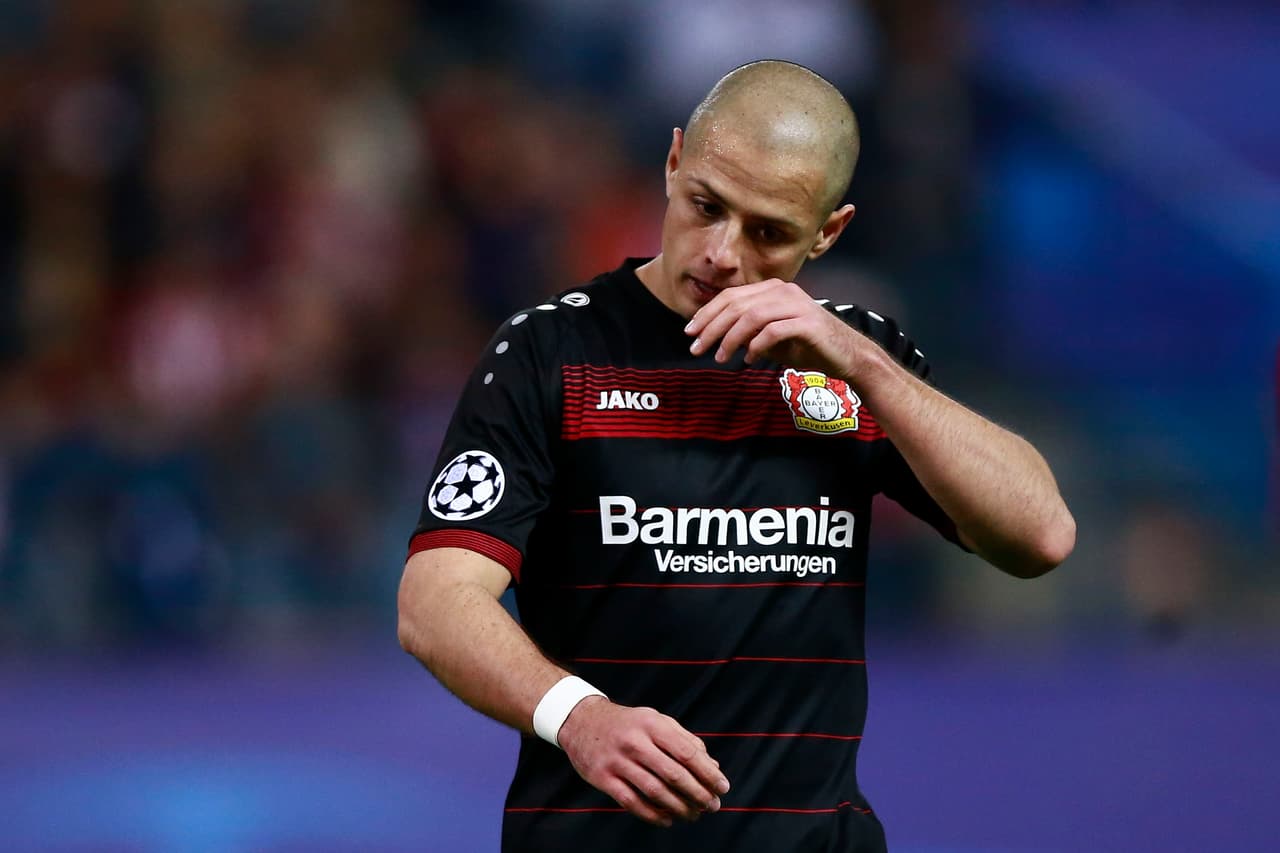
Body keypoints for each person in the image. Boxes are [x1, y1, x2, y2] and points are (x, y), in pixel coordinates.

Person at [397, 60, 1075, 852]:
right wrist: (577, 715)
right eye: (706, 205)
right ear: (674, 160)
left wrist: (862, 364)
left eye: (769, 233)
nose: (722, 253)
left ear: (829, 232)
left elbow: (1042, 536)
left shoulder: (855, 366)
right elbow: (434, 601)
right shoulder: (552, 352)